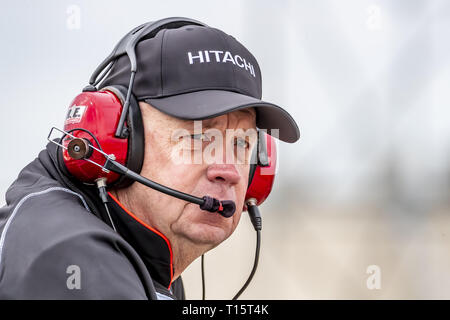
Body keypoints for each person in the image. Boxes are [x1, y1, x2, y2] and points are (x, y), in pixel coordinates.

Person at [0, 18, 299, 299]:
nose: (229, 171)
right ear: (118, 140)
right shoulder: (72, 254)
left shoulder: (151, 257)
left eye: (241, 143)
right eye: (198, 137)